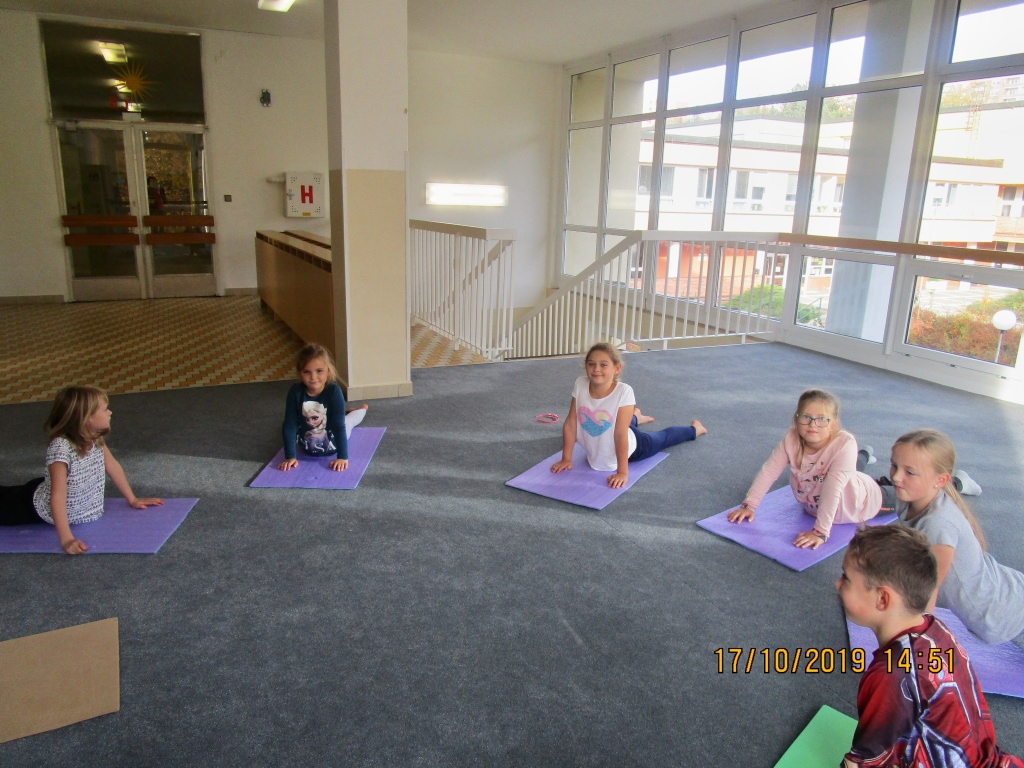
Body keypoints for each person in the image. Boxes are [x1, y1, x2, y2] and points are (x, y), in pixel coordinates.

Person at [838, 525, 1023, 767]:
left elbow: (867, 757)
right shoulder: (935, 629)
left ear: (882, 599)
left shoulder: (890, 674)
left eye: (846, 578)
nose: (837, 584)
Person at [889, 429, 1024, 645]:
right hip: (1005, 592)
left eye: (909, 472)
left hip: (1007, 615)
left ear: (940, 480)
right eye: (894, 465)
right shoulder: (909, 497)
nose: (896, 477)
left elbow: (928, 592)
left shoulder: (937, 525)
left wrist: (916, 644)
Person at [0, 386, 163, 555]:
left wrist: (133, 499)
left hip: (60, 492)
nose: (110, 412)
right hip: (30, 504)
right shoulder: (60, 448)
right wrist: (67, 539)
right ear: (86, 418)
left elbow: (112, 466)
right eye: (105, 409)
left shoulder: (93, 436)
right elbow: (57, 496)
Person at [726, 388, 889, 549]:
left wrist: (821, 532)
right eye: (806, 417)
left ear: (833, 424)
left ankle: (865, 456)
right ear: (796, 418)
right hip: (822, 499)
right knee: (850, 469)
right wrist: (749, 505)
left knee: (902, 492)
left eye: (821, 419)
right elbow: (769, 471)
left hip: (862, 502)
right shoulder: (791, 438)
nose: (812, 424)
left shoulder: (845, 443)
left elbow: (833, 489)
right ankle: (865, 453)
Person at [549, 342, 706, 489]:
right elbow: (571, 422)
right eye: (591, 364)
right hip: (611, 426)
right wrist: (566, 459)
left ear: (616, 369)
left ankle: (695, 429)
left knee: (662, 438)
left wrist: (622, 472)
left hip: (633, 444)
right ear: (585, 366)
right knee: (616, 420)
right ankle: (635, 416)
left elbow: (620, 433)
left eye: (603, 365)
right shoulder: (580, 384)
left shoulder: (624, 391)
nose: (596, 369)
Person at [278, 343, 367, 472]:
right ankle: (342, 410)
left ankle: (362, 408)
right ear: (300, 373)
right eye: (306, 372)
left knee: (349, 422)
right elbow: (289, 424)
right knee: (335, 415)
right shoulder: (295, 392)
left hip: (334, 440)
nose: (313, 377)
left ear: (328, 371)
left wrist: (342, 457)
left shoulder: (334, 391)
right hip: (307, 446)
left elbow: (339, 426)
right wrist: (289, 456)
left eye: (319, 371)